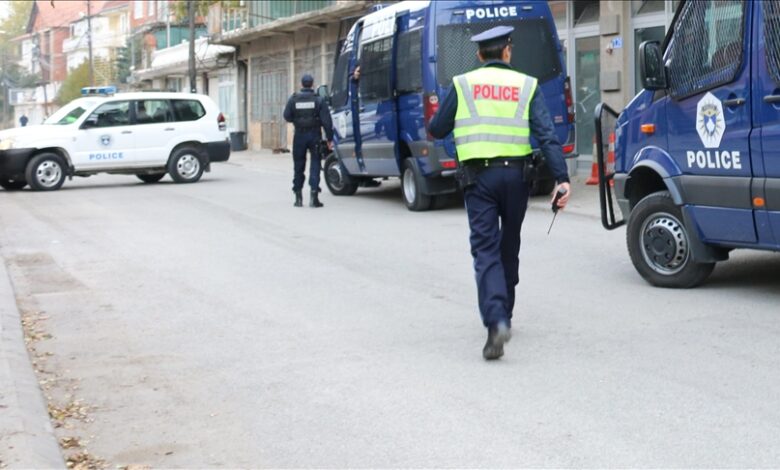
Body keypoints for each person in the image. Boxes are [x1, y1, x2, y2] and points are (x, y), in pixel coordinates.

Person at [428, 26, 571, 360]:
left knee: (485, 248)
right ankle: (506, 306)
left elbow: (436, 129)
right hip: (518, 178)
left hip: (479, 180)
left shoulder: (463, 84)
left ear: (479, 55)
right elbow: (547, 135)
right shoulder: (527, 85)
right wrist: (561, 179)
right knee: (509, 244)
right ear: (508, 52)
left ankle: (497, 319)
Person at [283, 73, 334, 208]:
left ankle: (298, 198)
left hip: (299, 136)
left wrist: (297, 120)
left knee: (298, 166)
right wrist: (330, 139)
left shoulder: (293, 99)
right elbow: (327, 121)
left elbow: (287, 116)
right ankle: (314, 198)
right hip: (314, 136)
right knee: (315, 165)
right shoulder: (319, 100)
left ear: (301, 84)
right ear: (312, 84)